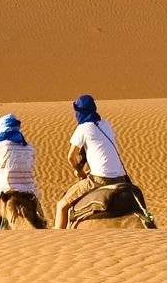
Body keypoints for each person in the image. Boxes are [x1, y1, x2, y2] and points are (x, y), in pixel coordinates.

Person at [54, 94, 133, 229]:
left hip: (100, 179)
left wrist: (80, 172)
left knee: (61, 205)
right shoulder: (106, 124)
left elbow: (71, 157)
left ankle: (56, 239)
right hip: (120, 178)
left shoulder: (83, 128)